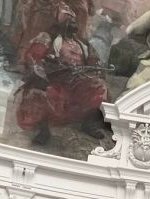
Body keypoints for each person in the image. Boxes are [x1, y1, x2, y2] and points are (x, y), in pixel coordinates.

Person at [16, 2, 108, 145]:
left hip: (77, 81)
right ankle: (43, 129)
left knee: (98, 86)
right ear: (57, 18)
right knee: (42, 92)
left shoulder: (82, 43)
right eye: (66, 14)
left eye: (73, 15)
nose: (71, 17)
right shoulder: (47, 38)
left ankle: (88, 123)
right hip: (55, 80)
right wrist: (41, 72)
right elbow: (33, 57)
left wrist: (95, 70)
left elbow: (94, 61)